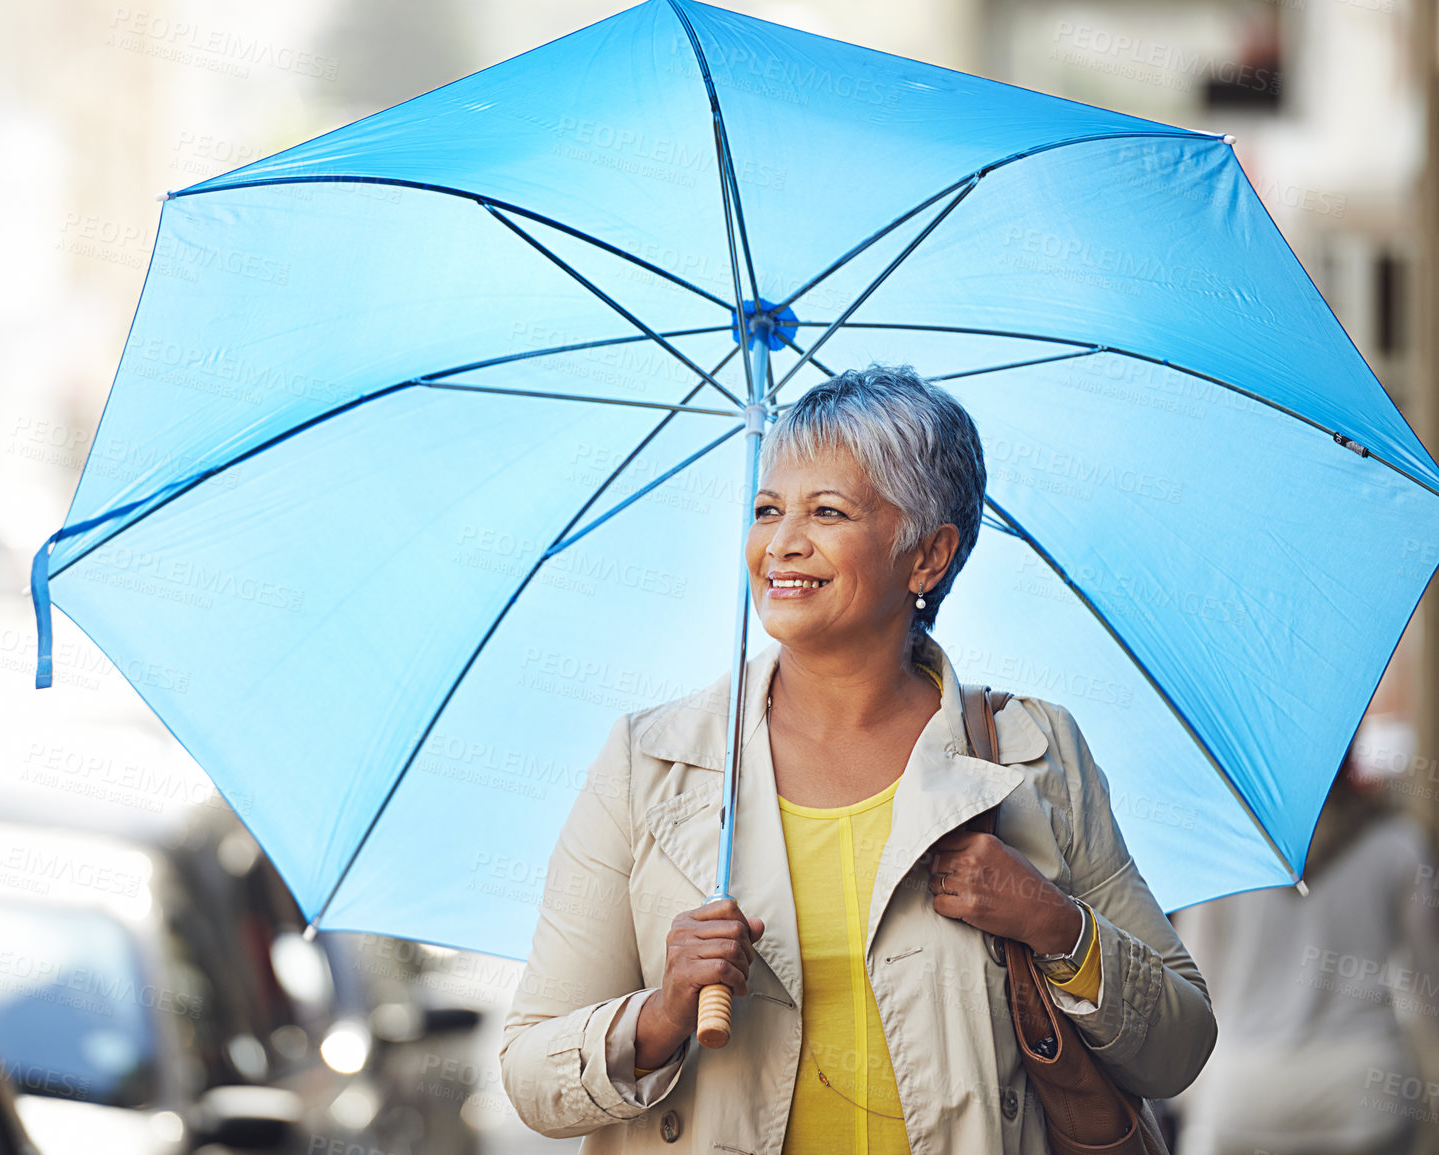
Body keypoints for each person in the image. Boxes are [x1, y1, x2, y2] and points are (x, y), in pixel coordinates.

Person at [498, 365, 1216, 1154]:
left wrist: (1053, 922)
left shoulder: (1031, 753)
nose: (781, 542)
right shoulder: (652, 761)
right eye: (767, 509)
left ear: (928, 557)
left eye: (826, 510)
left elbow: (1180, 1042)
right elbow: (531, 1073)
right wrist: (661, 1011)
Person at [1169, 728, 1439, 1155]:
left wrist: (1185, 1100)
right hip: (1362, 1096)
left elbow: (1194, 978)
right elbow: (1427, 986)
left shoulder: (1226, 850)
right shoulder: (1398, 844)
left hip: (1242, 1096)